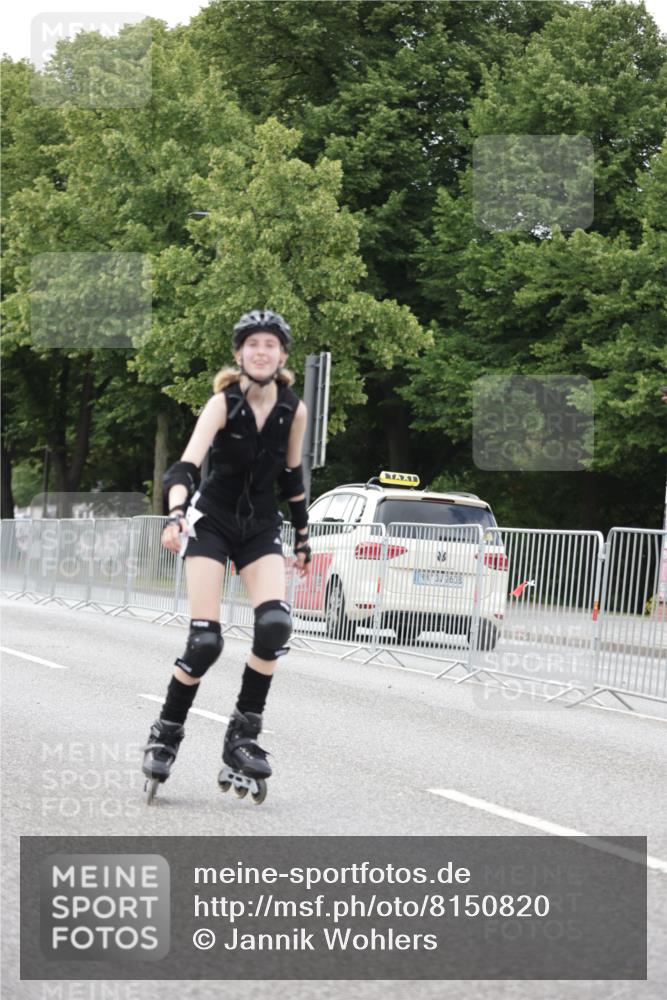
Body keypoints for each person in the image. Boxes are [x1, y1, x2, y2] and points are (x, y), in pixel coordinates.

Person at [142, 309, 312, 803]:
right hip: (211, 523)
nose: (262, 352)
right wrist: (176, 516)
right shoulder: (223, 403)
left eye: (271, 345)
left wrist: (302, 538)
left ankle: (242, 737)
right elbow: (185, 467)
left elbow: (291, 479)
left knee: (276, 626)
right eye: (253, 344)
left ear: (282, 355)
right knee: (205, 642)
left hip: (259, 526)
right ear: (239, 354)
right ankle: (166, 732)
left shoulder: (293, 409)